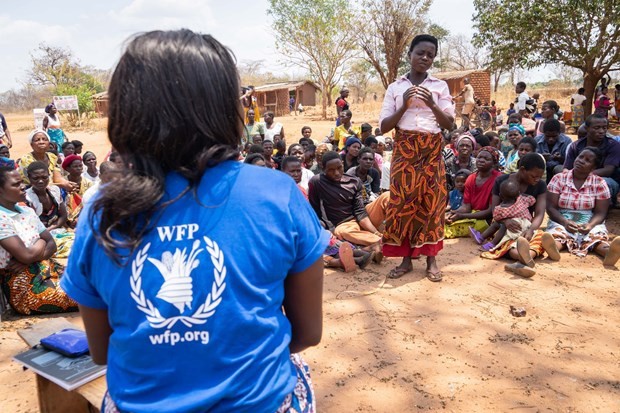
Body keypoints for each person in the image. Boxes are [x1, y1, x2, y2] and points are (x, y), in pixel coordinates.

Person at [61, 29, 328, 413]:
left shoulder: (101, 210)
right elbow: (307, 333)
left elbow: (102, 351)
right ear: (223, 109)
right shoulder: (275, 194)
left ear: (126, 113)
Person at [379, 34, 455, 281]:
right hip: (405, 148)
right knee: (402, 203)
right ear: (410, 55)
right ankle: (405, 260)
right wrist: (404, 104)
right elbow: (383, 127)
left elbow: (449, 124)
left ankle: (431, 260)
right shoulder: (395, 87)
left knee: (432, 203)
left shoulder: (440, 87)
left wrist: (432, 104)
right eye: (420, 53)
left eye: (430, 55)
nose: (425, 58)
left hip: (432, 149)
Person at [0, 159, 77, 315]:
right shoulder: (2, 218)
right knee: (84, 296)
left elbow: (52, 244)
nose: (22, 187)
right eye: (15, 185)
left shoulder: (26, 211)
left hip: (48, 268)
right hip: (24, 286)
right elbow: (27, 254)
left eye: (21, 182)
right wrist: (40, 243)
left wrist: (31, 257)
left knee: (91, 280)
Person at [544, 147, 620, 264]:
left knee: (596, 237)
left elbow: (601, 212)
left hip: (589, 219)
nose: (581, 161)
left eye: (587, 160)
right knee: (559, 234)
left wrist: (590, 225)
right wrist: (564, 222)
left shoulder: (599, 183)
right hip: (561, 217)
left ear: (593, 167)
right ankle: (554, 249)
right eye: (580, 157)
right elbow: (550, 208)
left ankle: (609, 252)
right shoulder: (559, 178)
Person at [481, 153, 551, 278]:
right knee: (509, 247)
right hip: (507, 229)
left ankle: (524, 258)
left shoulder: (540, 185)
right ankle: (525, 257)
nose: (537, 180)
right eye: (534, 176)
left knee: (537, 237)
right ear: (523, 170)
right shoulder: (502, 181)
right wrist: (506, 221)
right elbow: (495, 210)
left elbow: (540, 213)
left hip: (527, 227)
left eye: (539, 177)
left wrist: (530, 230)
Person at [308, 151, 388, 255]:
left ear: (342, 163)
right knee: (341, 232)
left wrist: (375, 231)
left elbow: (360, 212)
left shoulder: (354, 181)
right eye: (331, 170)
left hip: (365, 217)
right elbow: (315, 211)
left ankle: (387, 238)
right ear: (323, 169)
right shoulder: (317, 182)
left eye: (339, 168)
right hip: (343, 224)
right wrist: (324, 230)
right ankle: (383, 243)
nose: (336, 173)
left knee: (387, 196)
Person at [445, 147, 502, 239]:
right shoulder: (471, 178)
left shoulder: (498, 179)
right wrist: (452, 214)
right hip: (472, 215)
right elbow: (466, 207)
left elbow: (490, 212)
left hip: (487, 220)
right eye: (479, 157)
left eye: (486, 159)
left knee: (450, 229)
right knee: (445, 222)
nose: (481, 160)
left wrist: (462, 216)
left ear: (494, 163)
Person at [564, 114, 620, 203]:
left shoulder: (613, 145)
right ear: (587, 128)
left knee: (603, 183)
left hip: (605, 179)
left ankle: (602, 209)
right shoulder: (576, 146)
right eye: (597, 128)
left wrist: (582, 177)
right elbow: (567, 168)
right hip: (577, 178)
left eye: (604, 128)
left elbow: (608, 170)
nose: (601, 131)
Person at [25, 161, 74, 258]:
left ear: (49, 176)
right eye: (36, 178)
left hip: (57, 230)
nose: (40, 181)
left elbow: (63, 216)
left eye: (44, 177)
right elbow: (31, 227)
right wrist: (47, 233)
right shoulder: (27, 198)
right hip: (40, 238)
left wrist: (51, 228)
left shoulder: (54, 190)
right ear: (29, 178)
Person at [470, 179, 535, 252]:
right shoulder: (522, 200)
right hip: (527, 227)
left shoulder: (500, 209)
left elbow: (496, 217)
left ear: (500, 195)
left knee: (499, 224)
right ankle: (483, 239)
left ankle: (488, 241)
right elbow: (532, 200)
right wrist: (522, 195)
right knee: (503, 224)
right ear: (518, 194)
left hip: (515, 228)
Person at [62, 154, 94, 227]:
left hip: (85, 215)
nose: (79, 168)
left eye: (80, 166)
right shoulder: (63, 183)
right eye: (75, 166)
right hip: (65, 217)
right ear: (67, 169)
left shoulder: (89, 183)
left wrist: (79, 218)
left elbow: (91, 204)